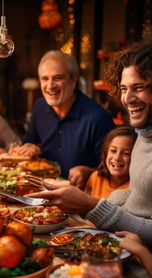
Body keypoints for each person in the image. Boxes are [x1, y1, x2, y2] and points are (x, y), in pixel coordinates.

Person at [27, 39, 152, 252]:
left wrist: (90, 205)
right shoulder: (143, 134)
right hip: (117, 241)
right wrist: (91, 202)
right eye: (123, 89)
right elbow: (136, 196)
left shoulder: (97, 117)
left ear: (74, 81)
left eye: (138, 88)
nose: (128, 99)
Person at [14, 50, 115, 189]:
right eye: (45, 78)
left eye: (58, 78)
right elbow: (30, 140)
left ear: (73, 80)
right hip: (41, 189)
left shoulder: (97, 118)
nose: (50, 86)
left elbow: (115, 172)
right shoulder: (40, 106)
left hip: (83, 196)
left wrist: (90, 172)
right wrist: (28, 147)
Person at [84, 126, 137, 199]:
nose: (117, 158)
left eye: (126, 153)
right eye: (113, 151)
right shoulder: (96, 178)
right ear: (106, 152)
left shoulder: (136, 189)